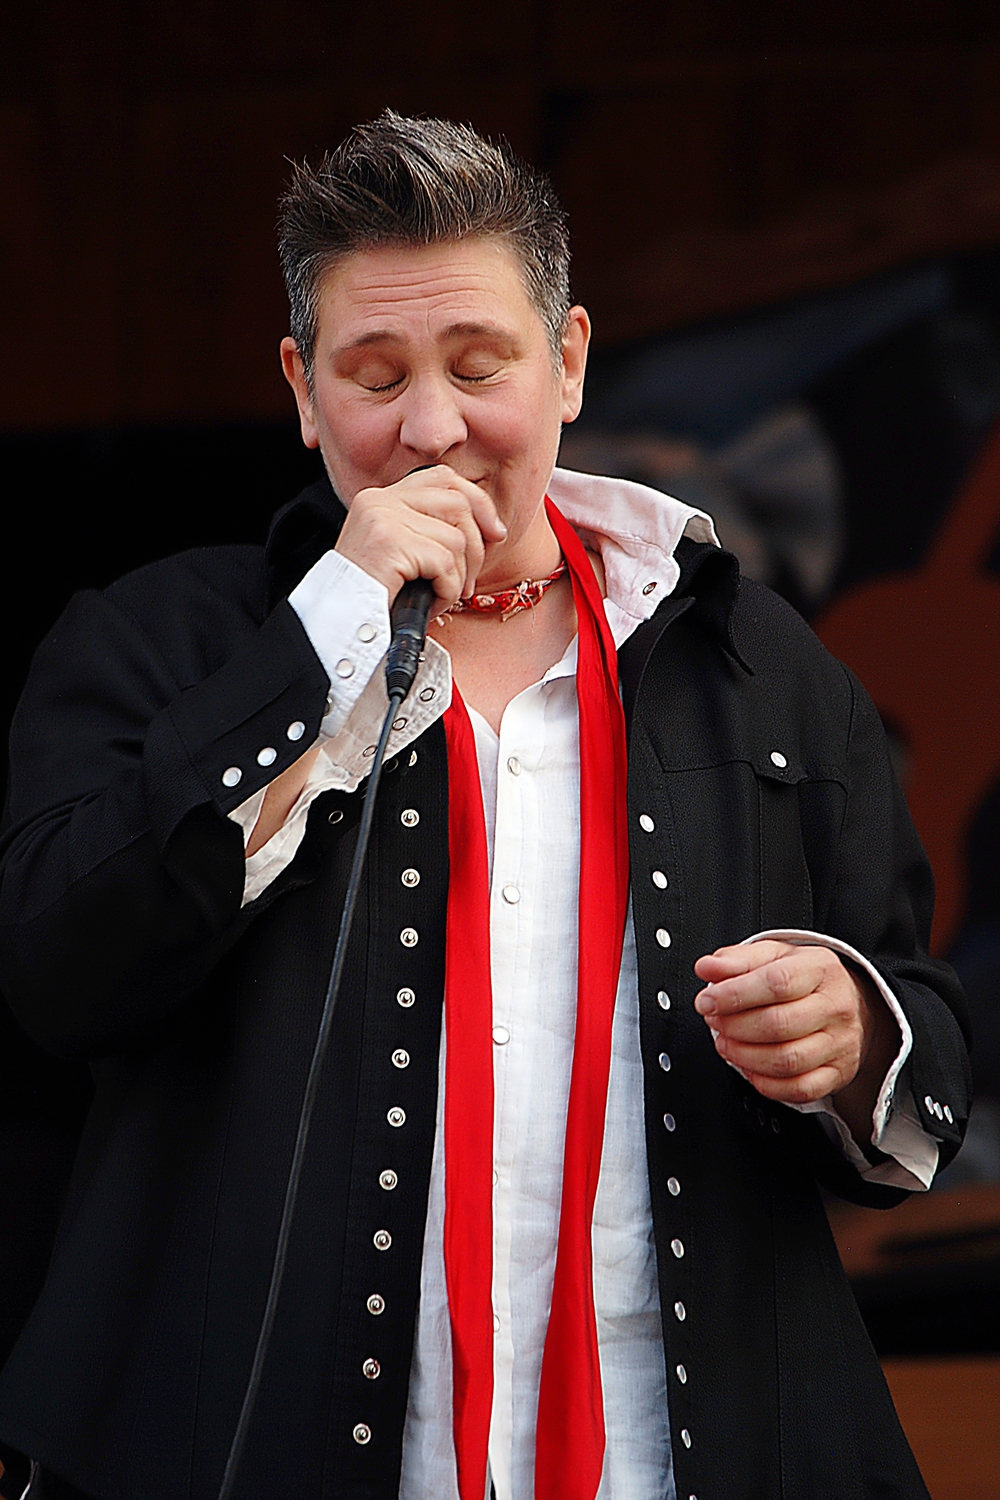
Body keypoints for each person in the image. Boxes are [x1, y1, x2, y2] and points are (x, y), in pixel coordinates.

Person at [0, 113, 971, 1500]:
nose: (431, 430)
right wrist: (329, 632)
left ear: (566, 362)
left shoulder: (757, 665)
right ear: (302, 389)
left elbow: (926, 1027)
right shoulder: (158, 644)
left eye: (478, 367)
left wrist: (855, 1029)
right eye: (374, 375)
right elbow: (56, 969)